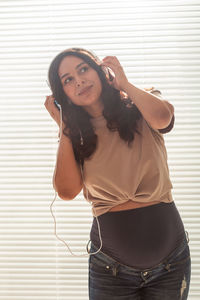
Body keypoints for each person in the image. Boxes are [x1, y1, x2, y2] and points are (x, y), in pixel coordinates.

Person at [44, 47, 191, 300]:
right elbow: (67, 191)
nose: (78, 80)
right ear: (62, 94)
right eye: (68, 80)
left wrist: (124, 82)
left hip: (171, 263)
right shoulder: (75, 135)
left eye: (83, 69)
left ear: (101, 71)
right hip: (110, 270)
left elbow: (163, 119)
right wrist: (65, 126)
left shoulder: (141, 101)